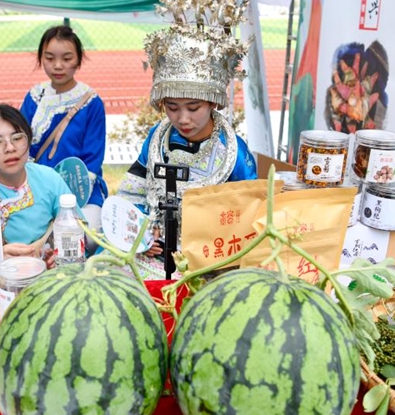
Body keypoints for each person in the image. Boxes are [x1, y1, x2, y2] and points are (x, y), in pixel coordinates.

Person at [115, 1, 257, 278]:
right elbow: (132, 193)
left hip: (211, 261)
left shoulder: (234, 152)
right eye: (172, 107)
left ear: (214, 101)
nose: (182, 119)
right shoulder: (157, 139)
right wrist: (143, 233)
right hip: (153, 253)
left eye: (193, 108)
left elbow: (248, 215)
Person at [20, 25, 106, 241]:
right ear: (41, 58)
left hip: (81, 192)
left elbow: (93, 157)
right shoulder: (33, 98)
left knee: (83, 239)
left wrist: (71, 199)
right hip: (38, 192)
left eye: (67, 59)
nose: (58, 66)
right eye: (49, 58)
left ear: (79, 60)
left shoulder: (91, 103)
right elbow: (23, 148)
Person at [0, 104, 74, 269]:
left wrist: (58, 251)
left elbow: (79, 225)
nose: (10, 148)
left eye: (18, 138)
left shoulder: (49, 178)